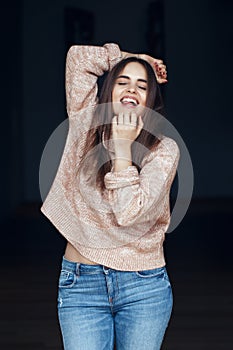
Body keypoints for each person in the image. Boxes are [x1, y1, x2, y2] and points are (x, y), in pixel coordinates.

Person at [41, 43, 180, 350]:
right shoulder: (85, 122)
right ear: (109, 91)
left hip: (143, 287)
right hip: (81, 285)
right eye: (123, 82)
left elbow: (129, 212)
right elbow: (78, 58)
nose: (132, 89)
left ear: (150, 100)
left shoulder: (164, 150)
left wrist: (122, 150)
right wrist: (133, 59)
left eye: (142, 86)